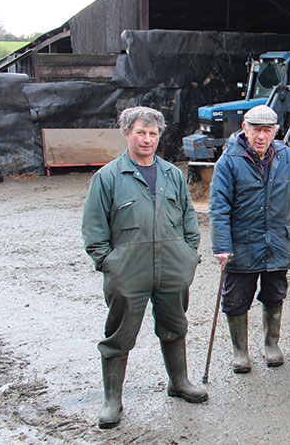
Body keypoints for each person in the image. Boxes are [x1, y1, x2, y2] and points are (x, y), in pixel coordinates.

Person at [82, 106, 208, 429]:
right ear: (127, 134)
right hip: (128, 274)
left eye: (153, 134)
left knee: (175, 325)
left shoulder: (173, 176)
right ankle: (113, 400)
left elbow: (188, 221)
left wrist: (187, 254)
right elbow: (94, 230)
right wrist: (110, 264)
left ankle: (179, 382)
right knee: (119, 335)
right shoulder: (108, 177)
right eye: (141, 132)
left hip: (170, 270)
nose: (147, 139)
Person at [209, 104, 290, 373]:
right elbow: (219, 206)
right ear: (244, 128)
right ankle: (240, 353)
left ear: (275, 131)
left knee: (274, 294)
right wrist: (221, 246)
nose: (261, 136)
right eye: (256, 129)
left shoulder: (285, 155)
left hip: (278, 243)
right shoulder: (229, 161)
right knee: (235, 299)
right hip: (242, 244)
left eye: (267, 130)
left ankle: (271, 345)